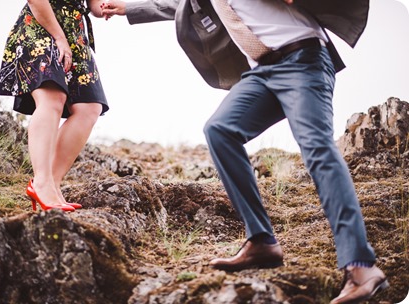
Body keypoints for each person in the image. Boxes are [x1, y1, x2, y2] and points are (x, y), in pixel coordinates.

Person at [102, 0, 389, 302]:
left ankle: (361, 266)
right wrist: (126, 8)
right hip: (262, 72)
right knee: (220, 130)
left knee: (318, 151)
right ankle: (262, 241)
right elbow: (175, 5)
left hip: (303, 57)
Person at [0, 0, 109, 212]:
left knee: (89, 107)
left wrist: (113, 7)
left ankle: (51, 183)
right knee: (52, 98)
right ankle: (42, 182)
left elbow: (94, 5)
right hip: (42, 25)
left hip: (74, 33)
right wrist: (59, 37)